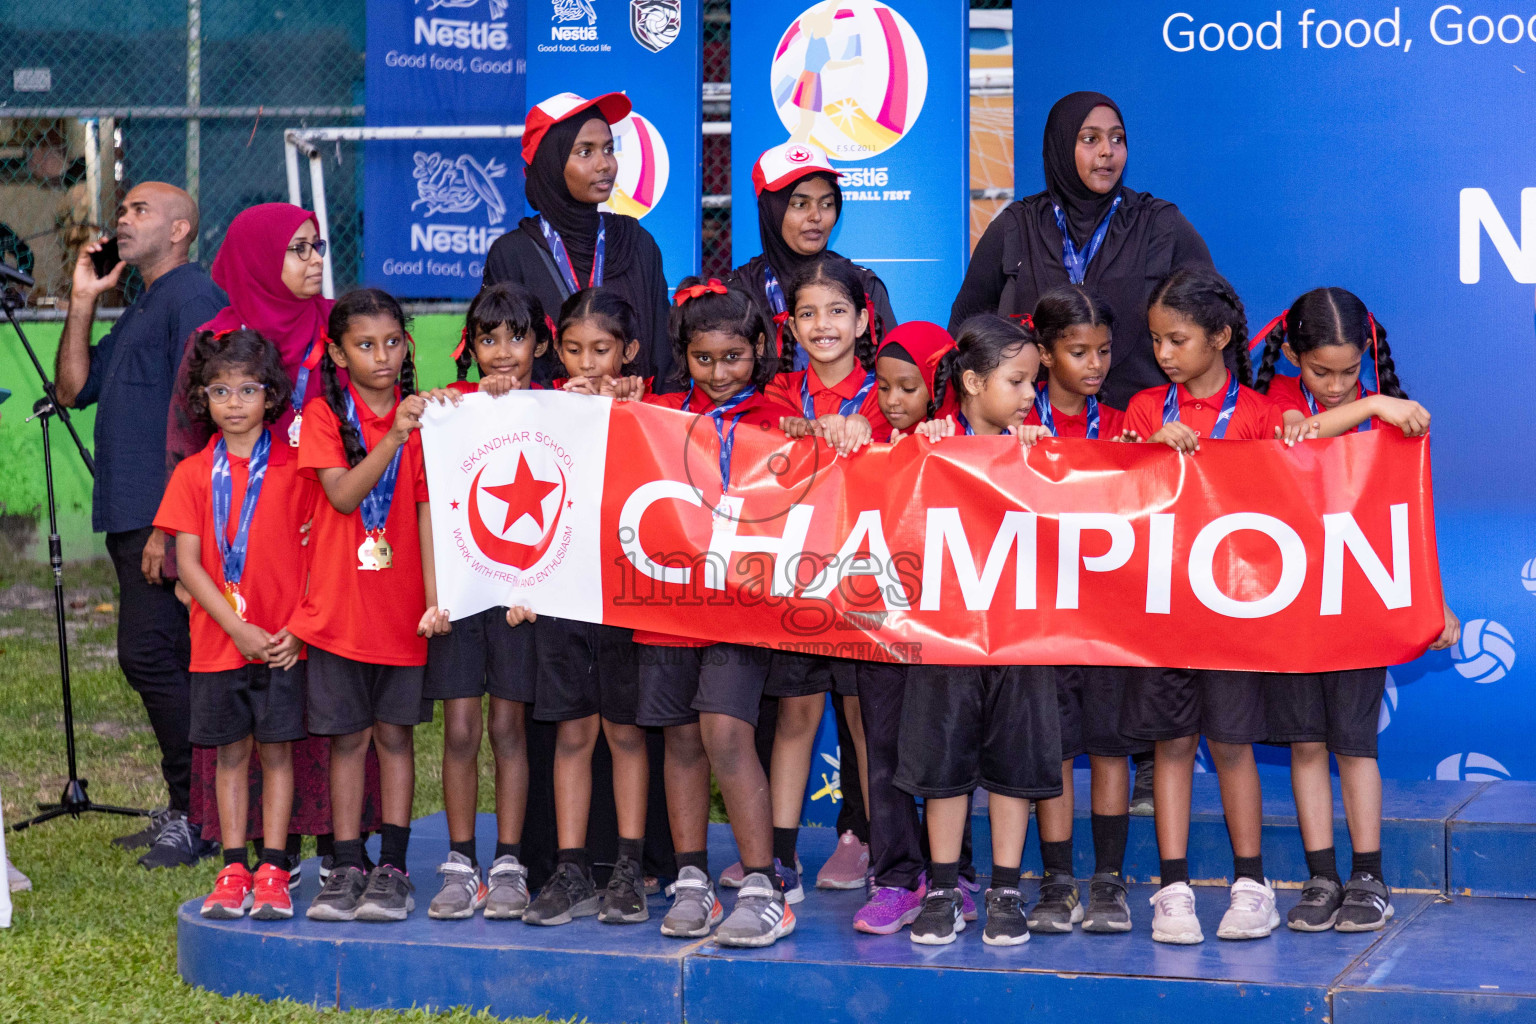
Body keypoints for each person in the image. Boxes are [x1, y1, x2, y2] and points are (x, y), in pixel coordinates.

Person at [166, 202, 376, 881]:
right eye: (298, 249)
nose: (316, 260)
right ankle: (244, 851)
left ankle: (333, 840)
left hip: (328, 539)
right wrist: (174, 550)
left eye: (318, 247)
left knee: (326, 696)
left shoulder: (338, 332)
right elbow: (185, 443)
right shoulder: (215, 341)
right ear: (259, 256)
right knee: (242, 724)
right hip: (235, 555)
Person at [1252, 287, 1462, 933]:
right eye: (1323, 371)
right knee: (1307, 746)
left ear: (1367, 355)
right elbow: (1296, 437)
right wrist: (1374, 402)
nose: (1338, 385)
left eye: (1351, 372)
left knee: (1354, 746)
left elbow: (1406, 518)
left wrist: (1435, 601)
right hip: (1290, 607)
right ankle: (1321, 878)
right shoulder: (1278, 403)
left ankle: (1368, 875)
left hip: (1357, 602)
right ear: (1292, 356)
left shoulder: (1389, 423)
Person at [54, 182, 226, 868]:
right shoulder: (142, 304)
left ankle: (199, 815)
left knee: (153, 656)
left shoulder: (193, 298)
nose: (122, 220)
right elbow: (71, 389)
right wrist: (83, 300)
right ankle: (188, 807)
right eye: (121, 211)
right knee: (166, 659)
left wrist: (172, 526)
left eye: (139, 211)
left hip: (166, 519)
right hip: (132, 515)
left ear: (181, 228)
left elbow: (212, 414)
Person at [628, 276, 796, 946]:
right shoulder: (657, 412)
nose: (720, 372)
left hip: (743, 604)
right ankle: (693, 878)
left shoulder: (781, 415)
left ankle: (762, 885)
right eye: (705, 359)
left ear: (759, 348)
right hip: (668, 598)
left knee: (726, 732)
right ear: (683, 356)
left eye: (734, 357)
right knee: (680, 737)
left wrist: (819, 434)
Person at [1119, 266, 1283, 945]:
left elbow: (1289, 512)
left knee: (1234, 745)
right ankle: (1174, 888)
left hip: (1234, 614)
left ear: (1219, 337)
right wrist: (1145, 452)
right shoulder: (1143, 410)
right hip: (1161, 614)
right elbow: (1112, 497)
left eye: (1177, 340)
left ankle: (1252, 884)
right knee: (1172, 747)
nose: (1163, 354)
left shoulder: (1262, 414)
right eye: (1156, 341)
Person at [900, 313, 1063, 948]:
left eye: (1033, 384)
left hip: (1022, 637)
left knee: (1013, 769)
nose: (1029, 396)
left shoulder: (1043, 449)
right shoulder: (930, 444)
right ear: (971, 381)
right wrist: (925, 443)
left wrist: (1049, 465)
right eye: (1018, 382)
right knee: (942, 766)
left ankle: (1003, 891)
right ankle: (942, 888)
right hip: (944, 638)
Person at [294, 289, 443, 924]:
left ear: (407, 344)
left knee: (395, 737)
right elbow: (345, 495)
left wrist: (436, 600)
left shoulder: (427, 418)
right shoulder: (326, 416)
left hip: (402, 611)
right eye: (364, 345)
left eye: (391, 342)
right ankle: (348, 863)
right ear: (337, 352)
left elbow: (427, 514)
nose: (381, 357)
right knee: (347, 740)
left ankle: (395, 867)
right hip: (339, 611)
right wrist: (393, 437)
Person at [512, 288, 658, 928]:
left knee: (625, 732)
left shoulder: (652, 410)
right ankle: (572, 868)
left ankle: (629, 866)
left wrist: (629, 411)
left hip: (628, 596)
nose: (587, 363)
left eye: (601, 350)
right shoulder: (541, 411)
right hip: (563, 594)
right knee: (573, 732)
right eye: (573, 350)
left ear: (628, 352)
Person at [153, 328, 311, 920]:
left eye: (248, 389)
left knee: (277, 753)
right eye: (220, 390)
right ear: (203, 398)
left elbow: (316, 551)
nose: (235, 402)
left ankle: (274, 867)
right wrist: (236, 628)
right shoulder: (193, 473)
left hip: (283, 643)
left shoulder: (297, 468)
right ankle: (234, 865)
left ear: (271, 396)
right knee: (228, 755)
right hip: (221, 642)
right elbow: (188, 566)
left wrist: (296, 627)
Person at [1010, 286, 1149, 936]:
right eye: (1076, 352)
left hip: (1109, 623)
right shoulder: (1010, 421)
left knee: (1111, 750)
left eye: (1103, 351)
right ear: (1042, 353)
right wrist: (1006, 450)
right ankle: (1057, 880)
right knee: (1056, 752)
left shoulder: (1125, 426)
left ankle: (1109, 884)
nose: (1093, 364)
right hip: (1038, 623)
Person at [948, 91, 1214, 409]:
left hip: (1138, 432)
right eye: (1090, 139)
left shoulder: (1158, 224)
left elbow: (1214, 320)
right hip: (1032, 430)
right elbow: (966, 325)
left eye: (1118, 139)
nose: (1107, 152)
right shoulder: (1016, 226)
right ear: (1061, 146)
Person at [423, 284, 552, 921]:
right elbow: (429, 510)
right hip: (460, 600)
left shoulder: (561, 411)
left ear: (541, 343)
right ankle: (459, 860)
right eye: (488, 338)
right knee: (460, 728)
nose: (502, 352)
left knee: (508, 727)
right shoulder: (446, 414)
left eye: (516, 337)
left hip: (523, 601)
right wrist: (435, 596)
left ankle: (508, 862)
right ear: (469, 347)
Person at [854, 320, 981, 936]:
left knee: (952, 751)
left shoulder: (966, 435)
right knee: (885, 755)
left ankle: (955, 876)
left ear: (939, 383)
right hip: (879, 626)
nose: (894, 400)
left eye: (908, 387)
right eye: (883, 386)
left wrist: (953, 443)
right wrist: (842, 434)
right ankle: (897, 878)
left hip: (950, 630)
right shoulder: (864, 437)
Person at [482, 92, 671, 389]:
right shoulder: (511, 253)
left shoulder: (636, 241)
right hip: (544, 428)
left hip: (630, 419)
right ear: (550, 163)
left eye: (608, 149)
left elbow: (663, 354)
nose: (604, 164)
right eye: (586, 152)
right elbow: (499, 362)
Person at [727, 143, 896, 371]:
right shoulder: (739, 291)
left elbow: (895, 376)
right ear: (770, 209)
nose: (816, 216)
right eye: (800, 204)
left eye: (826, 204)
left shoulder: (864, 285)